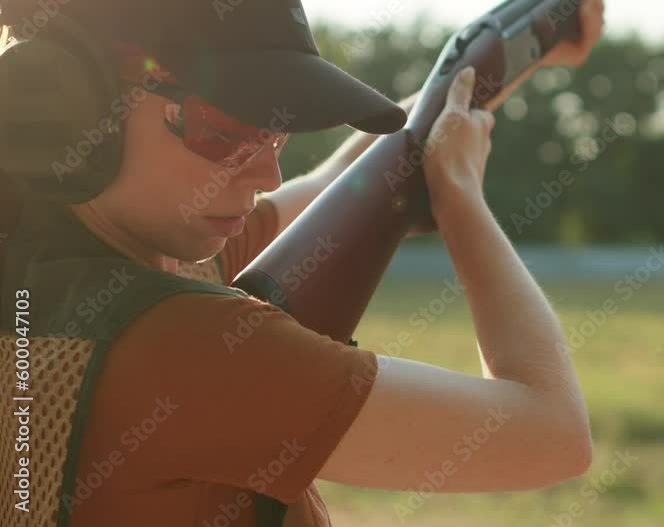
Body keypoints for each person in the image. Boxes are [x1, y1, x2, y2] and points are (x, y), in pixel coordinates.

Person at [0, 0, 604, 526]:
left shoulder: (94, 269)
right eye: (224, 132)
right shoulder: (194, 347)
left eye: (276, 135)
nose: (267, 175)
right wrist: (462, 198)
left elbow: (345, 181)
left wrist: (503, 60)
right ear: (72, 114)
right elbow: (554, 434)